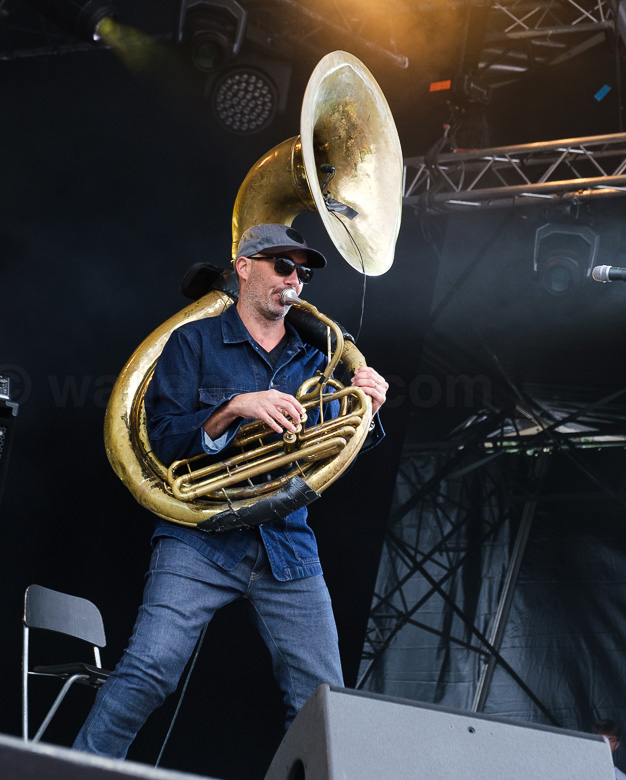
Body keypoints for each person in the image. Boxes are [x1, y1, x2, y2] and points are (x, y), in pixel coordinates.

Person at [73, 223, 389, 758]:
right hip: (200, 538)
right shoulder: (192, 341)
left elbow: (331, 453)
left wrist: (369, 411)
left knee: (324, 702)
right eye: (282, 266)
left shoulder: (319, 360)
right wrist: (233, 408)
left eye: (303, 273)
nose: (294, 281)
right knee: (149, 671)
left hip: (285, 545)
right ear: (243, 268)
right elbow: (161, 441)